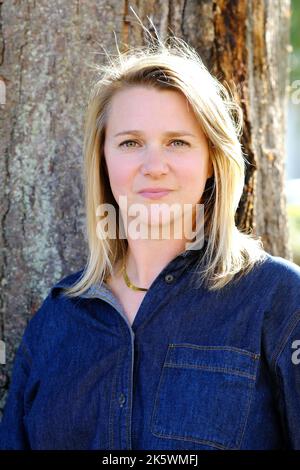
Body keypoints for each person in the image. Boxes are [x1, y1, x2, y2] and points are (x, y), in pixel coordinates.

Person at [0, 25, 300, 451]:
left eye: (177, 142)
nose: (153, 165)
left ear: (213, 160)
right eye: (130, 142)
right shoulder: (56, 321)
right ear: (103, 159)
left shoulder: (279, 301)